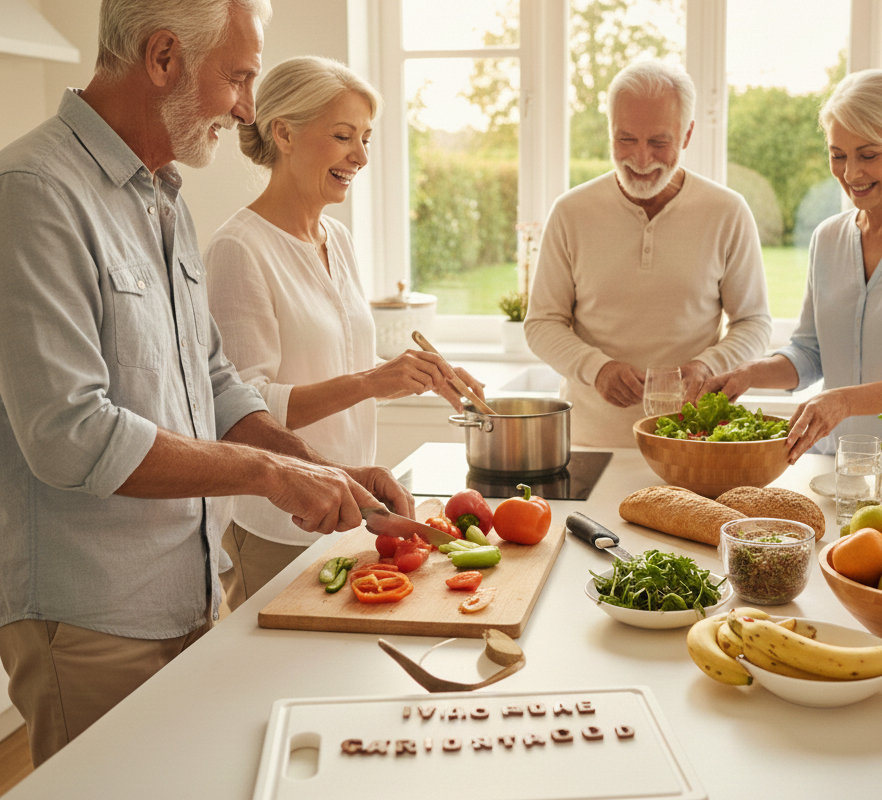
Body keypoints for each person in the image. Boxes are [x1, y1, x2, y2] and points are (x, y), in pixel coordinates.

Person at [0, 0, 413, 767]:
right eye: (239, 78)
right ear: (163, 59)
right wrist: (269, 474)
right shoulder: (33, 191)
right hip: (90, 615)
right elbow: (69, 435)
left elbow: (215, 382)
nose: (247, 109)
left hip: (189, 592)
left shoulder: (163, 198)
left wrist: (320, 468)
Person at [204, 56, 485, 609]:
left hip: (349, 513)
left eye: (365, 138)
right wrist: (372, 382)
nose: (360, 155)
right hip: (279, 525)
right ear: (284, 133)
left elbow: (343, 362)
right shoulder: (239, 249)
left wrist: (416, 375)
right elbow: (243, 410)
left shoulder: (337, 237)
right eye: (342, 136)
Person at [706, 69, 882, 462]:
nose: (851, 173)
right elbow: (810, 352)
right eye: (838, 155)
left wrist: (843, 402)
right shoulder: (827, 238)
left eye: (868, 155)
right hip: (833, 463)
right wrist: (747, 374)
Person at [524, 60, 772, 448]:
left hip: (692, 443)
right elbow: (541, 323)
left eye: (658, 142)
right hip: (589, 443)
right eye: (626, 139)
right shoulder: (571, 212)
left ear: (686, 135)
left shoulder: (727, 211)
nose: (641, 159)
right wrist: (597, 369)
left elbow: (754, 323)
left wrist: (708, 366)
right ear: (609, 130)